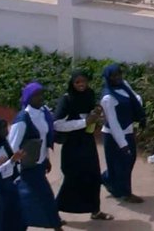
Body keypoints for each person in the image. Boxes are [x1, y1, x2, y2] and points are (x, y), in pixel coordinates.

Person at [54, 71, 111, 221]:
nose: (81, 85)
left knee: (93, 176)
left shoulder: (89, 94)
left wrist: (96, 113)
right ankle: (55, 211)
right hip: (72, 145)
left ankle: (95, 210)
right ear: (72, 84)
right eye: (77, 82)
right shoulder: (66, 100)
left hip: (87, 142)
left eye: (83, 82)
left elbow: (91, 114)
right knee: (72, 179)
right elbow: (58, 124)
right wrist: (84, 122)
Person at [9, 82, 64, 231]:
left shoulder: (44, 112)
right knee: (44, 197)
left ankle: (50, 222)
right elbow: (12, 146)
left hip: (39, 164)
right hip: (27, 167)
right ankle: (55, 225)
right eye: (35, 95)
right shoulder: (22, 119)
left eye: (41, 94)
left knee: (35, 198)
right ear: (28, 98)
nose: (40, 97)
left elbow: (44, 140)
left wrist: (46, 159)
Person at [99, 64, 145, 205]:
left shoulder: (124, 85)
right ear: (108, 77)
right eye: (114, 75)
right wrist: (123, 144)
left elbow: (136, 98)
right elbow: (113, 123)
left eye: (119, 74)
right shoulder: (108, 98)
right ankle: (125, 193)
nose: (118, 77)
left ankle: (107, 179)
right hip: (114, 136)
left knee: (125, 162)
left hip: (127, 130)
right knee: (123, 163)